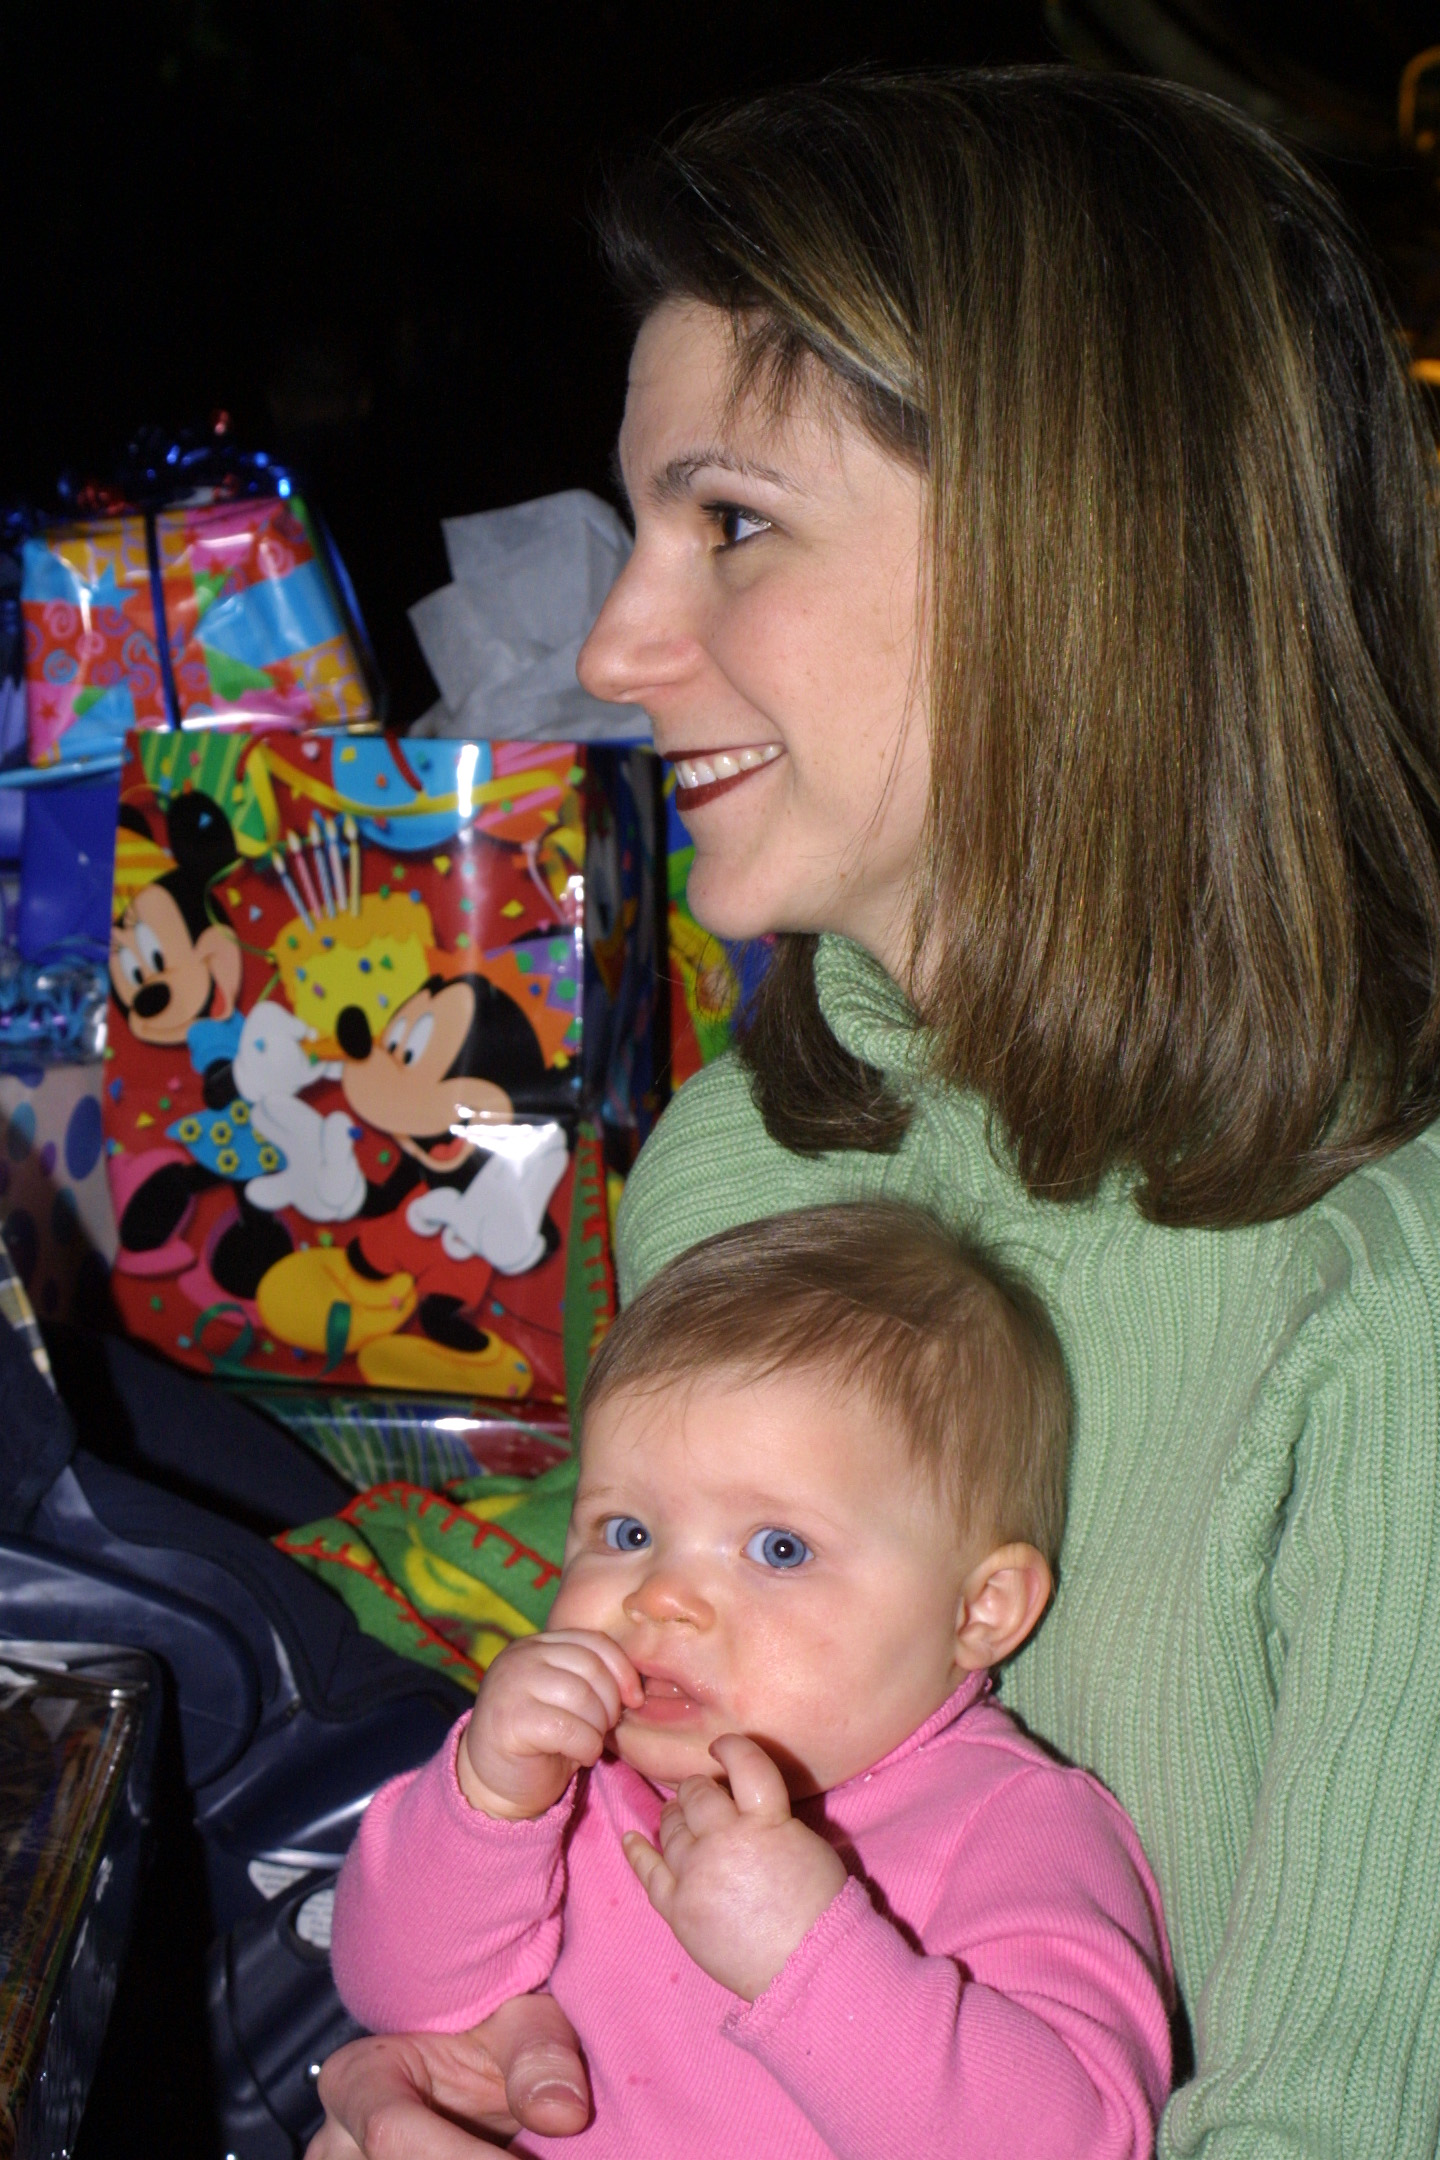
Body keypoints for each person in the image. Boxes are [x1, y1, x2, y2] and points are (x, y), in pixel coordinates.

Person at [309, 66, 1440, 2160]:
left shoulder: (1389, 1298)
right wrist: (445, 2057)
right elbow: (586, 1857)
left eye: (732, 523)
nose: (619, 648)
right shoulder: (737, 1158)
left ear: (1081, 559)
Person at [328, 1203, 1174, 2157]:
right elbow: (395, 1995)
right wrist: (485, 1803)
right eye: (627, 1532)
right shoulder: (579, 1779)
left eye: (779, 1548)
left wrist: (805, 1951)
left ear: (979, 1610)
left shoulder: (1012, 1824)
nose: (659, 1596)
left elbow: (1082, 2140)